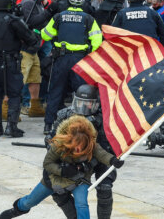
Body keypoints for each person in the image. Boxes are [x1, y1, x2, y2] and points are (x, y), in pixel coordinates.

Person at [0, 115, 123, 219]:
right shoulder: (59, 145)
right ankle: (16, 209)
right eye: (76, 145)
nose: (79, 149)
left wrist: (113, 160)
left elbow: (102, 154)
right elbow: (47, 164)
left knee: (82, 205)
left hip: (79, 180)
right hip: (54, 180)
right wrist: (62, 170)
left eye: (82, 146)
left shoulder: (92, 145)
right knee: (29, 201)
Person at [46, 84, 121, 218]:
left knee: (105, 188)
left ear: (96, 104)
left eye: (88, 104)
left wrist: (90, 164)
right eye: (80, 102)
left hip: (97, 158)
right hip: (71, 159)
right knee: (56, 189)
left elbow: (105, 148)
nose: (83, 107)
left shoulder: (103, 119)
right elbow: (51, 139)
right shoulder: (65, 115)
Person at [41, 0, 103, 135]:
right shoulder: (88, 19)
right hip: (80, 60)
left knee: (55, 91)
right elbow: (97, 41)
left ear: (67, 1)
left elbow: (46, 35)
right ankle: (84, 125)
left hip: (61, 58)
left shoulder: (59, 17)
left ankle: (48, 125)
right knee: (82, 93)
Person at [0, 0, 39, 137]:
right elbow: (32, 40)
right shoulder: (13, 20)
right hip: (9, 62)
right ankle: (11, 127)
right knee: (14, 94)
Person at [19, 0, 58, 118]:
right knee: (22, 77)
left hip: (34, 46)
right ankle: (16, 107)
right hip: (26, 47)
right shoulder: (28, 3)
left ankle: (34, 106)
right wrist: (49, 12)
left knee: (35, 77)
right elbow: (33, 21)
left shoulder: (37, 2)